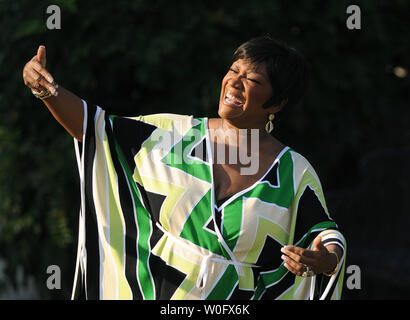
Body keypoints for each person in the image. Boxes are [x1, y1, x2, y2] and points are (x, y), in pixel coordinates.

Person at [23, 36, 346, 300]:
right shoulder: (169, 135)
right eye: (233, 70)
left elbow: (323, 232)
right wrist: (45, 89)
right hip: (154, 290)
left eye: (253, 79)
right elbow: (93, 127)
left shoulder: (292, 170)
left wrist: (326, 260)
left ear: (276, 103)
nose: (235, 83)